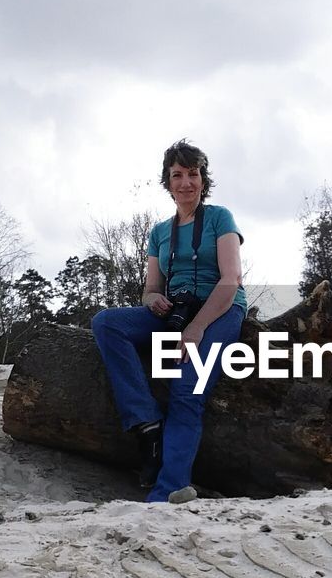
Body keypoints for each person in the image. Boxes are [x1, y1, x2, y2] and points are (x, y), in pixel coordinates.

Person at [91, 140, 247, 503]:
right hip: (175, 310)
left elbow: (230, 280)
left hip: (220, 310)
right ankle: (146, 422)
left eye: (193, 174)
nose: (186, 183)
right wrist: (152, 299)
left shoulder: (221, 218)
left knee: (187, 388)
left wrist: (197, 328)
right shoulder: (159, 232)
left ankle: (168, 491)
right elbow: (150, 287)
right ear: (168, 181)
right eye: (177, 175)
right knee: (106, 323)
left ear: (203, 181)